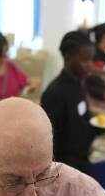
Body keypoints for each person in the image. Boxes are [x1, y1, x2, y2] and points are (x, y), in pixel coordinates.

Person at [41, 30, 97, 174]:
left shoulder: (78, 84)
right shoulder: (54, 93)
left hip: (83, 159)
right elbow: (52, 144)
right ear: (68, 57)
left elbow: (81, 121)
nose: (90, 65)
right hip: (67, 169)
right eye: (85, 60)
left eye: (92, 59)